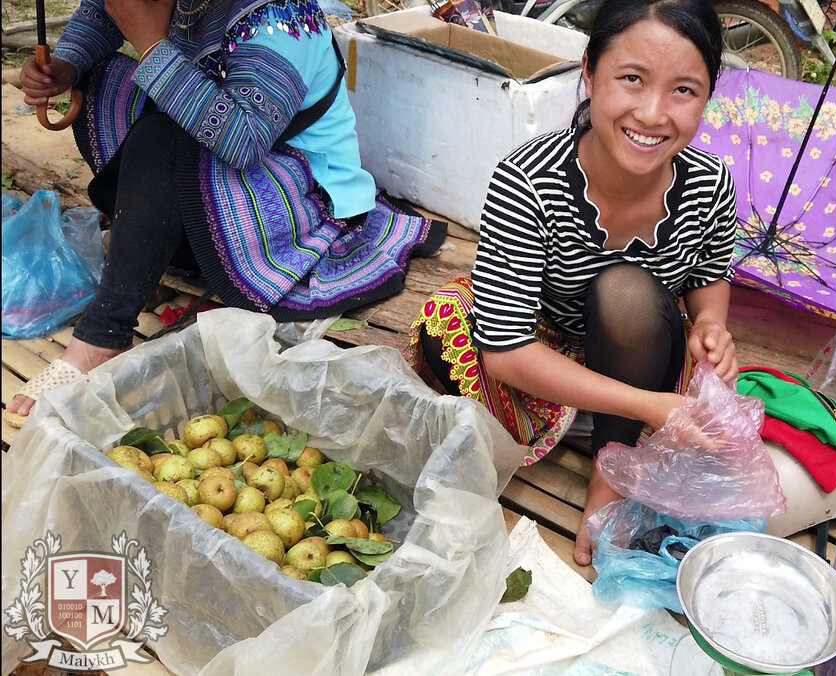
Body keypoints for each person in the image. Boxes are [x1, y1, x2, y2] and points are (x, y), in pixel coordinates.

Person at [404, 0, 737, 566]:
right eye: (631, 79)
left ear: (707, 97)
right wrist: (651, 408)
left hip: (645, 349)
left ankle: (609, 468)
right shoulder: (527, 181)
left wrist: (709, 322)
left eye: (684, 90)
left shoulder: (709, 183)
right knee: (446, 329)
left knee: (625, 293)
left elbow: (710, 276)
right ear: (588, 72)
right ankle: (623, 427)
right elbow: (506, 355)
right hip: (550, 350)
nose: (654, 114)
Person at [7, 0, 443, 428]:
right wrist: (66, 64)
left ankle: (101, 337)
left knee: (162, 136)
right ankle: (152, 244)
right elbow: (108, 11)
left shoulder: (282, 17)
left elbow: (244, 140)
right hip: (224, 178)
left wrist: (150, 41)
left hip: (300, 193)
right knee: (104, 79)